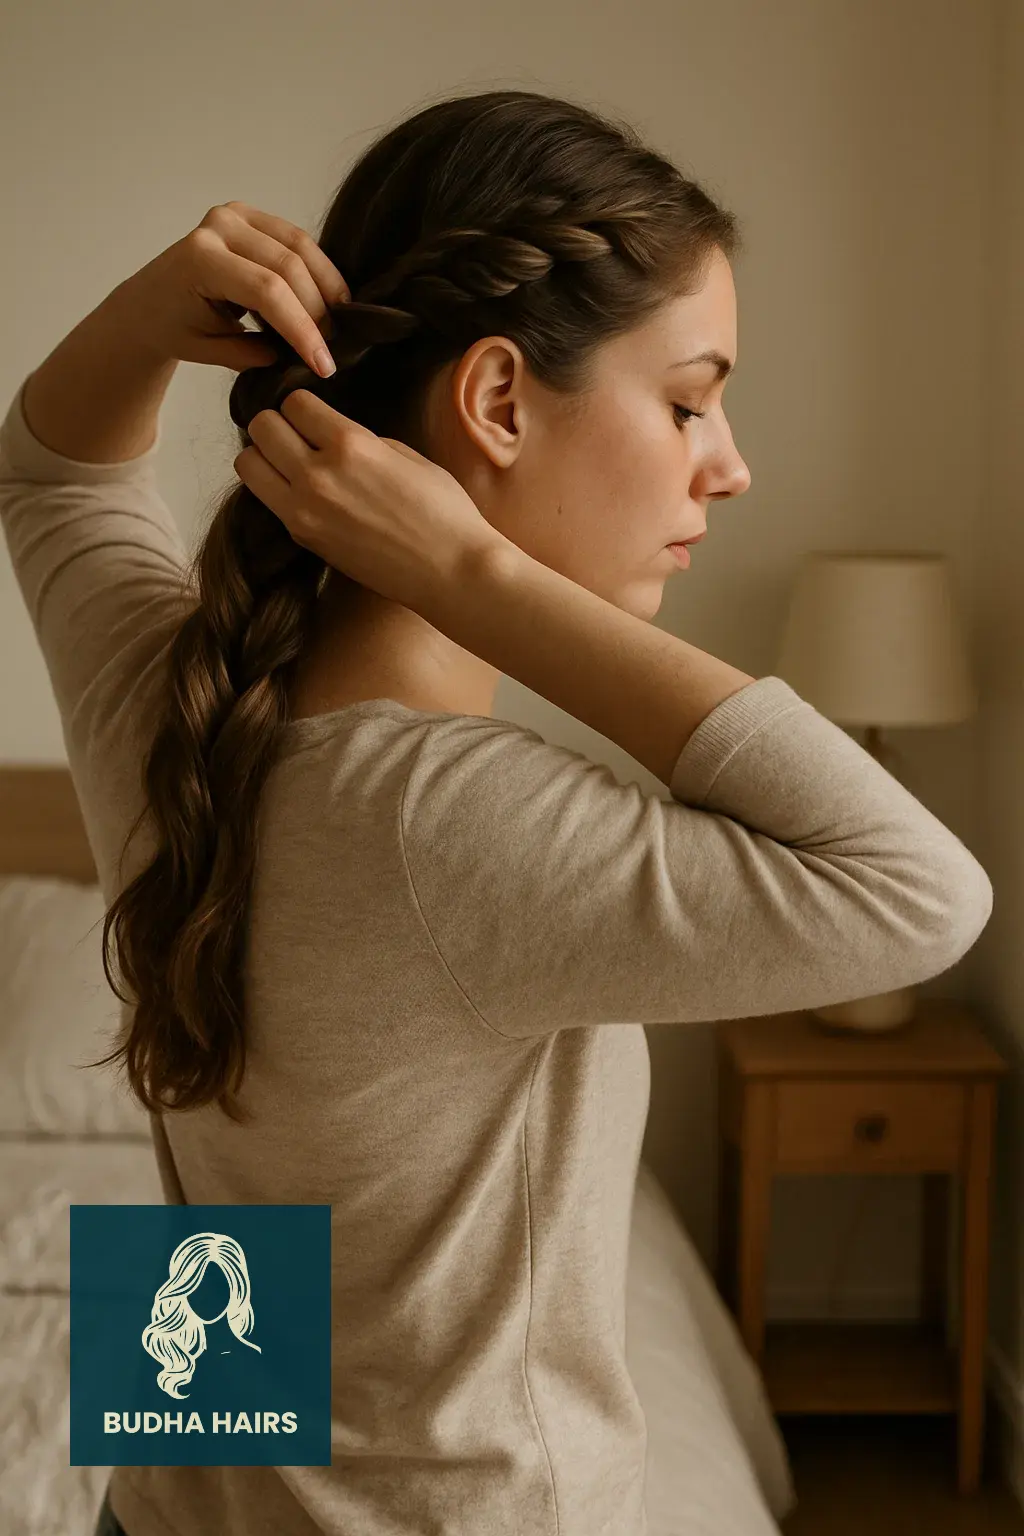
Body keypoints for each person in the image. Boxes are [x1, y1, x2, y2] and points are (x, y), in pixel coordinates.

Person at [0, 88, 992, 1536]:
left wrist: (155, 309)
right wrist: (479, 581)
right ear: (497, 403)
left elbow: (48, 473)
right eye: (689, 398)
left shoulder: (173, 723)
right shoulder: (464, 828)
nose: (730, 462)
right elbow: (922, 893)